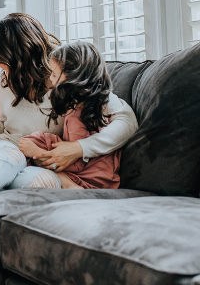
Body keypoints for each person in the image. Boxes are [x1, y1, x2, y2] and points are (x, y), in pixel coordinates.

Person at [0, 13, 138, 266]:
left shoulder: (65, 74)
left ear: (18, 55)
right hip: (5, 150)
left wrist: (78, 148)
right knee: (11, 158)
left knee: (33, 181)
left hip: (38, 164)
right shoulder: (9, 80)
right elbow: (6, 131)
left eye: (0, 61)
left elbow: (127, 122)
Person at [18, 41, 122, 189]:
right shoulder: (94, 104)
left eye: (54, 74)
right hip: (104, 175)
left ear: (73, 77)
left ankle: (72, 188)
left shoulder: (77, 115)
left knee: (40, 155)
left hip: (92, 179)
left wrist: (37, 152)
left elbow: (75, 164)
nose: (51, 80)